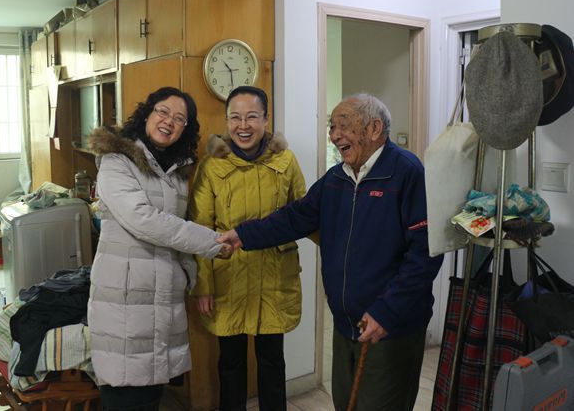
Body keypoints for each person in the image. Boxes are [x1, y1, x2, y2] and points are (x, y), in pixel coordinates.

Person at [218, 93, 444, 411]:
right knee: (345, 403)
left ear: (374, 128)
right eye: (331, 127)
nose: (334, 135)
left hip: (390, 326)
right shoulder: (336, 178)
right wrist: (243, 235)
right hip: (346, 323)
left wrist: (388, 311)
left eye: (343, 126)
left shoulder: (406, 172)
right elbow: (295, 217)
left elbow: (425, 253)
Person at [86, 87, 231, 411]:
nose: (169, 121)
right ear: (147, 114)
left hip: (161, 298)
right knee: (124, 392)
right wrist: (211, 242)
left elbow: (177, 226)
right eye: (163, 112)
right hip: (126, 297)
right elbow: (144, 220)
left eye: (180, 119)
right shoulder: (116, 161)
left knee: (151, 393)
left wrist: (187, 271)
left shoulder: (176, 172)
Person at [189, 86, 307, 411]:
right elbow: (199, 229)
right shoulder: (211, 166)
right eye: (235, 118)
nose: (243, 126)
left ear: (266, 120)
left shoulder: (286, 161)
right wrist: (203, 286)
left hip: (274, 278)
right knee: (230, 363)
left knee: (272, 360)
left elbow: (304, 215)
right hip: (229, 279)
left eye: (252, 117)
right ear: (226, 121)